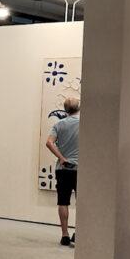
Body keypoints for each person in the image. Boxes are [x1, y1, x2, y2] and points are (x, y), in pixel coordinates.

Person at [46, 96, 80, 246]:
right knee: (81, 202)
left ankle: (65, 234)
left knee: (63, 202)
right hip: (80, 170)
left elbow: (49, 142)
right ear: (78, 108)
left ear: (65, 109)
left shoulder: (59, 125)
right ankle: (79, 233)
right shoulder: (84, 124)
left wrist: (61, 158)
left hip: (63, 169)